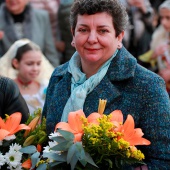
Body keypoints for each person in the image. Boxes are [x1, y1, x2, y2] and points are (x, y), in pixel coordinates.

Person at [43, 0, 170, 169]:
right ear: (73, 34)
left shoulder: (147, 85)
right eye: (83, 30)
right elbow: (45, 142)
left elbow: (164, 160)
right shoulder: (59, 76)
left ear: (119, 36)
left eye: (103, 31)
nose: (92, 39)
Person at [0, 39, 54, 115]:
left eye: (38, 64)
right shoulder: (8, 89)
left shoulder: (45, 86)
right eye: (29, 64)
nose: (35, 69)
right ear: (15, 63)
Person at [0, 0, 59, 67]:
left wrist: (55, 74)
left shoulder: (41, 17)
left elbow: (50, 53)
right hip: (5, 73)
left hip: (37, 73)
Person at [139, 0, 170, 95]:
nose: (163, 22)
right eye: (162, 18)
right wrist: (154, 55)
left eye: (168, 18)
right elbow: (141, 63)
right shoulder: (159, 37)